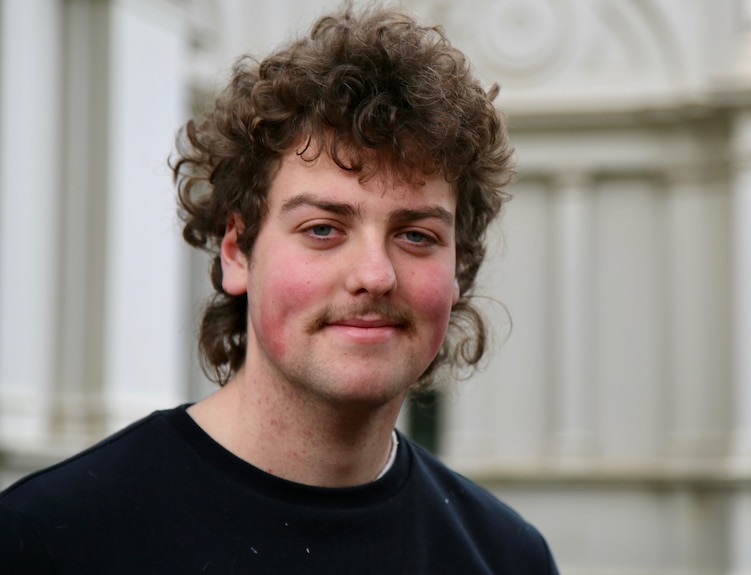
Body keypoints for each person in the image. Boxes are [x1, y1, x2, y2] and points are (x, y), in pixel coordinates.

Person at [0, 4, 559, 574]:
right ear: (237, 252)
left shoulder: (507, 557)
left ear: (458, 270)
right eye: (322, 229)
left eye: (416, 235)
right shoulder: (49, 541)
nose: (374, 274)